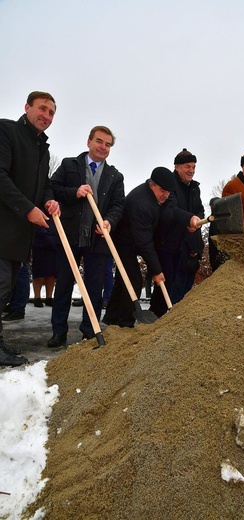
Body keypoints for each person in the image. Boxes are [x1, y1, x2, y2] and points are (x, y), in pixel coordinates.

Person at [47, 126, 125, 347]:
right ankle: (58, 332)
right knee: (64, 283)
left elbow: (118, 205)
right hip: (70, 234)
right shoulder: (69, 165)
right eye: (99, 142)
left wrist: (109, 221)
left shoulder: (115, 176)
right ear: (89, 142)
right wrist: (74, 192)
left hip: (98, 239)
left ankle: (90, 330)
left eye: (108, 144)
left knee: (94, 286)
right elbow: (52, 188)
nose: (103, 147)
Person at [0, 90, 59, 366]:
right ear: (27, 107)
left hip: (21, 238)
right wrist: (28, 208)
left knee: (6, 290)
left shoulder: (42, 148)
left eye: (51, 113)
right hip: (3, 229)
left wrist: (48, 200)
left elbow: (43, 183)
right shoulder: (7, 131)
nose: (46, 116)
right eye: (42, 109)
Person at [103, 167, 201, 328]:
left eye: (169, 192)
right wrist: (156, 270)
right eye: (163, 191)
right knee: (133, 279)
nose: (166, 195)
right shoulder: (141, 203)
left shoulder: (161, 196)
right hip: (123, 242)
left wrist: (189, 219)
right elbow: (145, 243)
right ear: (151, 185)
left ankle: (112, 317)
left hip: (138, 239)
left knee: (123, 279)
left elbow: (171, 212)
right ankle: (125, 324)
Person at [150, 148, 205, 317]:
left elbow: (200, 210)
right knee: (167, 286)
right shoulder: (170, 186)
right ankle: (157, 317)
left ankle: (176, 318)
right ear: (177, 167)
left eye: (194, 167)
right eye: (188, 166)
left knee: (184, 287)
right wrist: (189, 219)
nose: (191, 170)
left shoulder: (195, 188)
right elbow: (170, 210)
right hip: (169, 245)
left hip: (188, 246)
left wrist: (197, 221)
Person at [31, 217, 57, 307]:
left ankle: (49, 297)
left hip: (54, 241)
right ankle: (37, 297)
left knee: (52, 272)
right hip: (40, 241)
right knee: (39, 272)